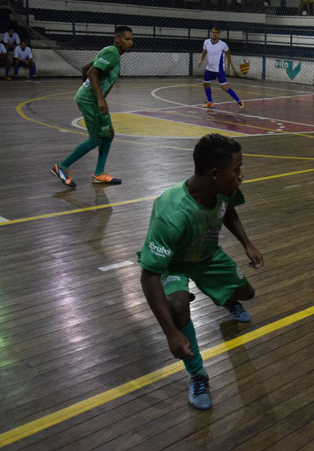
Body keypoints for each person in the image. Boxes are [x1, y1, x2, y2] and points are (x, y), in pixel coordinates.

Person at [139, 133, 264, 410]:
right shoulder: (171, 212)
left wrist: (248, 244)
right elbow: (148, 276)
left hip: (207, 255)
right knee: (178, 304)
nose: (241, 175)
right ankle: (198, 374)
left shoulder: (224, 189)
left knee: (247, 293)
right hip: (173, 264)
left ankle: (225, 296)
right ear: (216, 173)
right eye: (237, 169)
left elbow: (227, 210)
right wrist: (171, 333)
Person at [50, 26, 134, 188]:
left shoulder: (110, 52)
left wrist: (86, 87)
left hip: (91, 98)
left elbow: (85, 68)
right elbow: (91, 73)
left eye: (132, 39)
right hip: (91, 101)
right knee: (96, 138)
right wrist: (99, 98)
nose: (131, 42)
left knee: (108, 134)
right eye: (127, 39)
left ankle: (99, 173)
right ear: (117, 39)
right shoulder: (112, 53)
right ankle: (61, 167)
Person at [198, 27, 244, 109]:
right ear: (210, 33)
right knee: (206, 84)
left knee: (224, 87)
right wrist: (201, 60)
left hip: (219, 69)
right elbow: (204, 51)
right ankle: (210, 102)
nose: (214, 34)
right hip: (209, 68)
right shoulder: (206, 42)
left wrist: (228, 66)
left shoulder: (223, 45)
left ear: (218, 34)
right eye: (213, 32)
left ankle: (239, 101)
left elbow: (228, 55)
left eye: (216, 33)